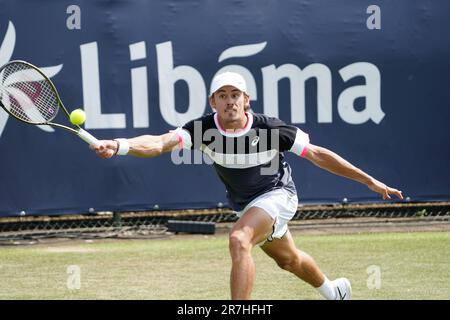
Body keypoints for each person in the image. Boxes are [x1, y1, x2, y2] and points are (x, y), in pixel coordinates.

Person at [91, 72, 403, 300]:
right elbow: (159, 143)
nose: (230, 101)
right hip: (247, 205)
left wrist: (369, 181)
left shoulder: (269, 128)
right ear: (213, 101)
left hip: (279, 195)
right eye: (223, 95)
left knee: (239, 239)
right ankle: (334, 292)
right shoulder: (203, 129)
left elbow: (319, 155)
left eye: (235, 95)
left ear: (246, 100)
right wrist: (119, 145)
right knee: (289, 260)